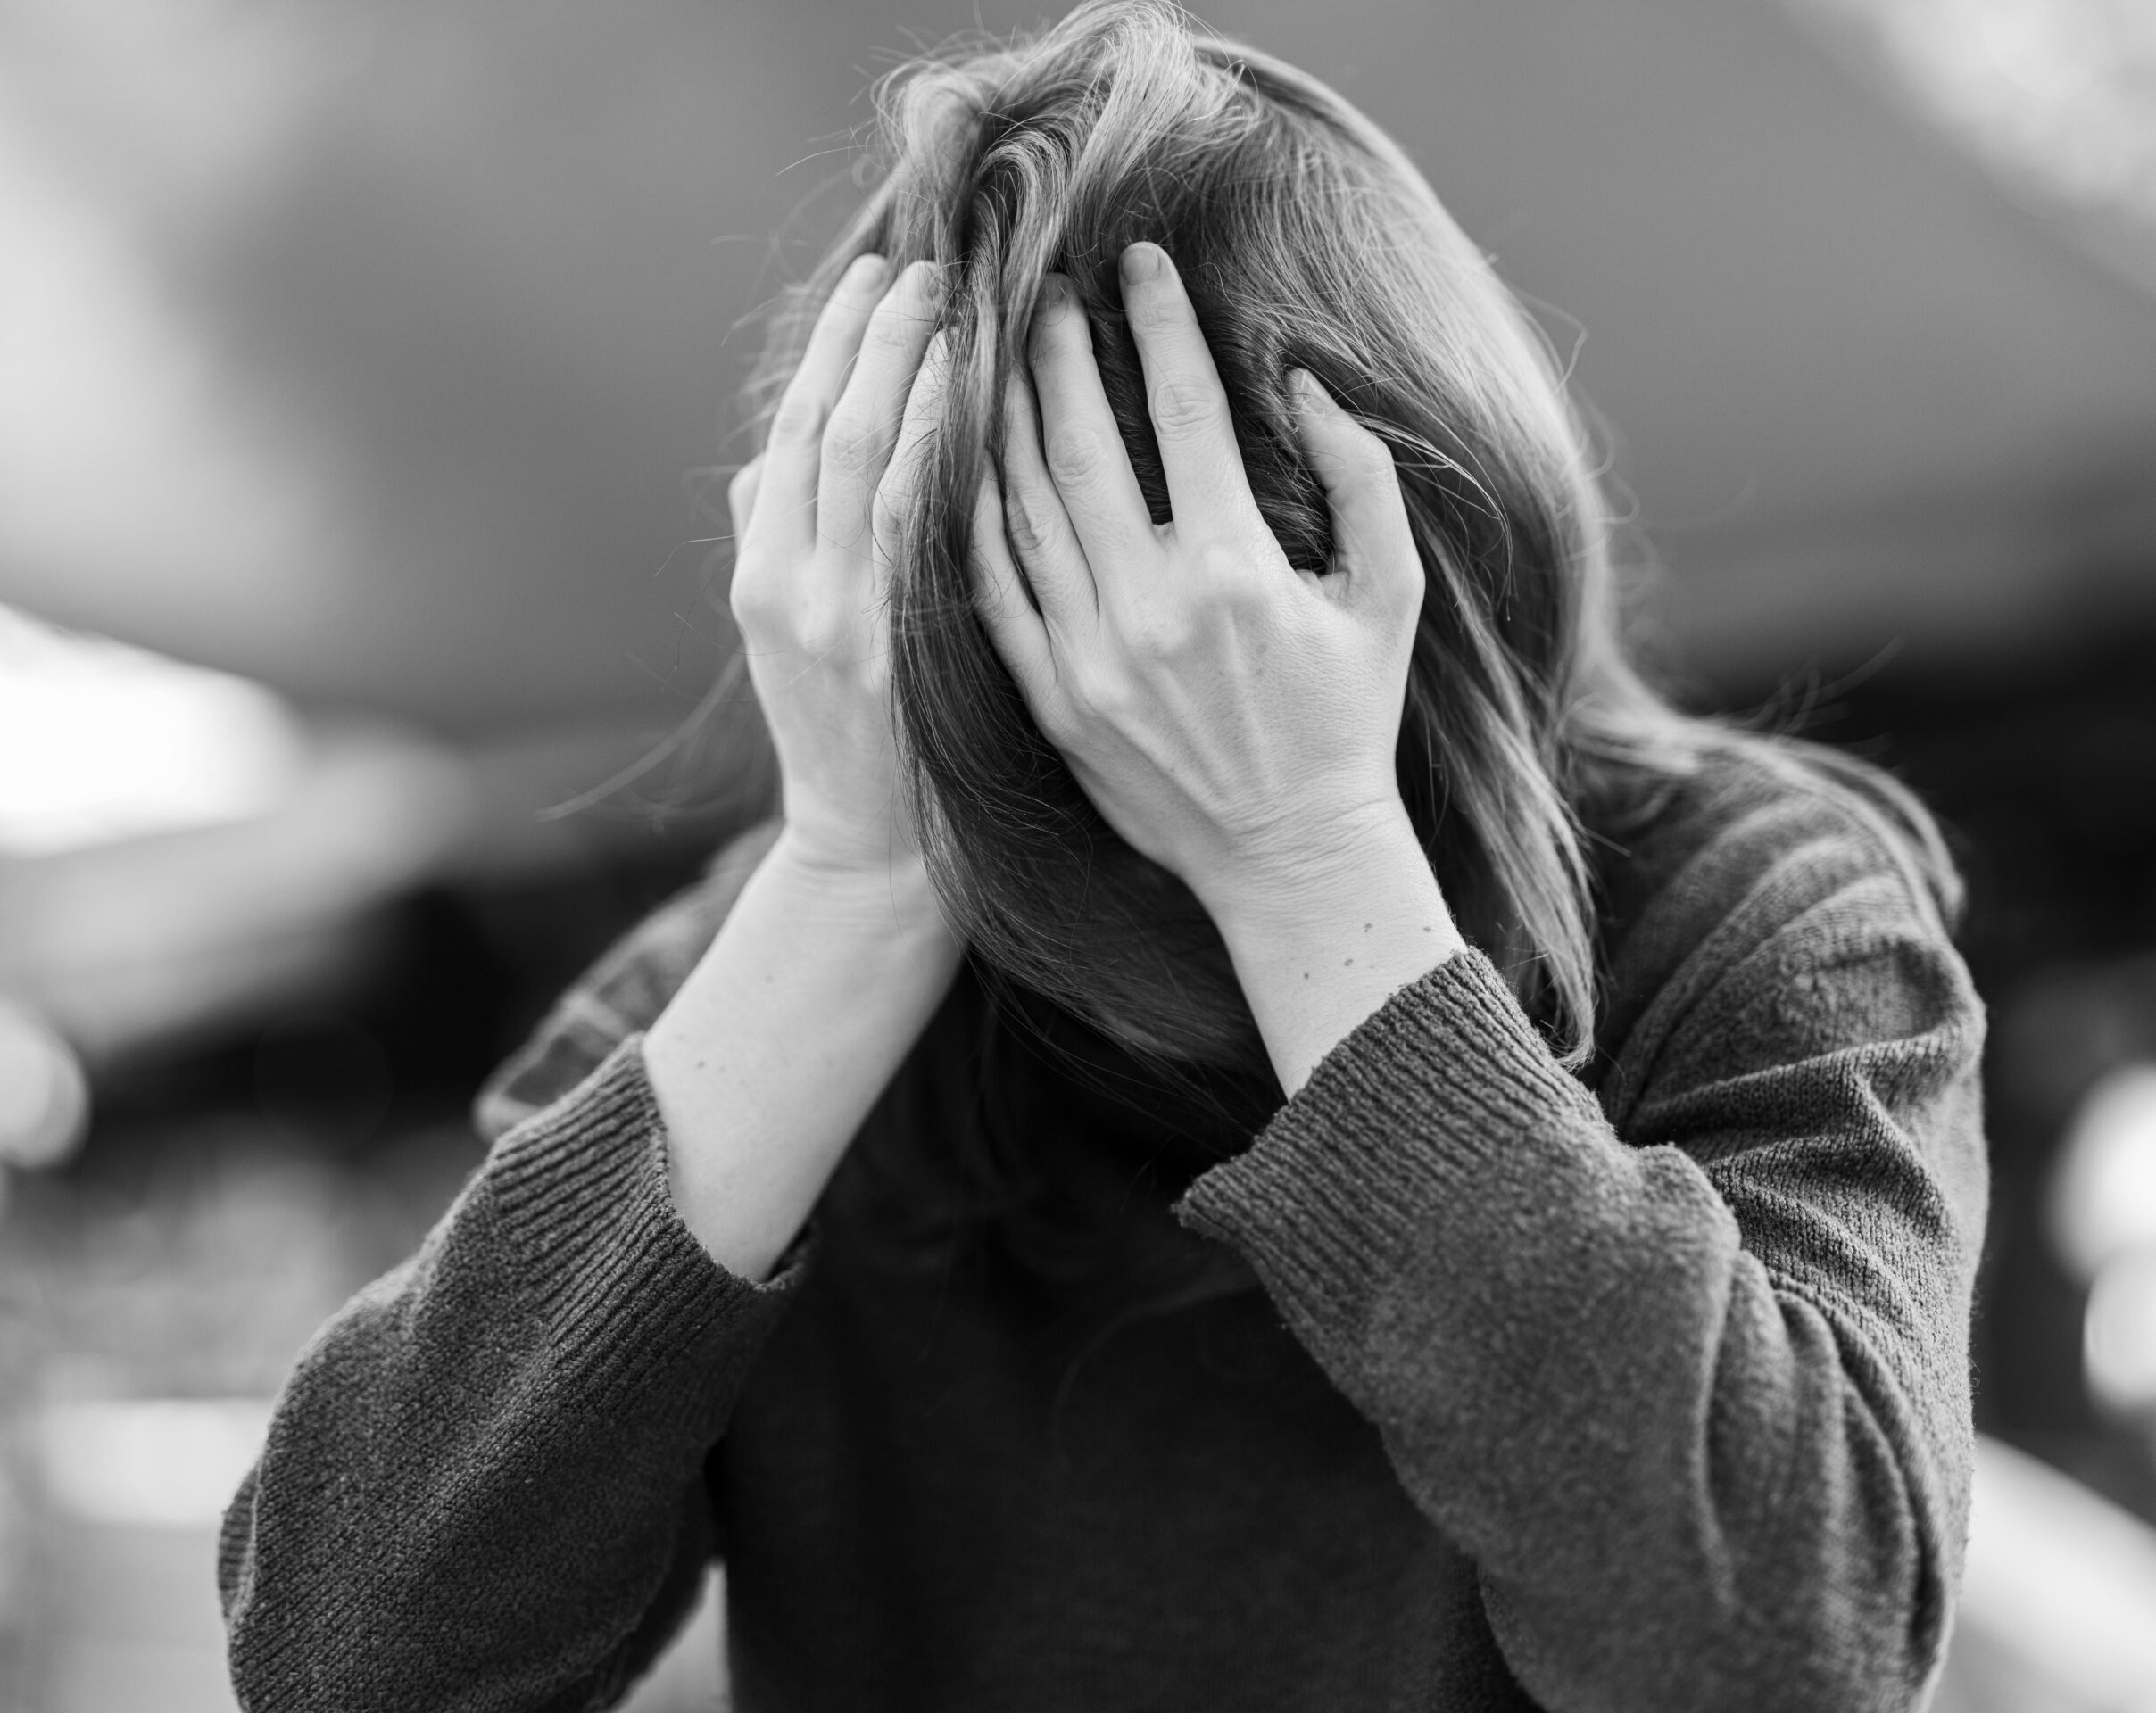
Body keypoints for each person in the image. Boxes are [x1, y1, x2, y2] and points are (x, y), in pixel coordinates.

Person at [218, 4, 1987, 1709]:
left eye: (1182, 633)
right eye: (1024, 629)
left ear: (1396, 569)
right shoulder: (765, 974)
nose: (1116, 724)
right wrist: (853, 880)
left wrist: (1307, 863)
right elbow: (343, 1659)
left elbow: (1779, 1656)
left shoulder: (1747, 911)